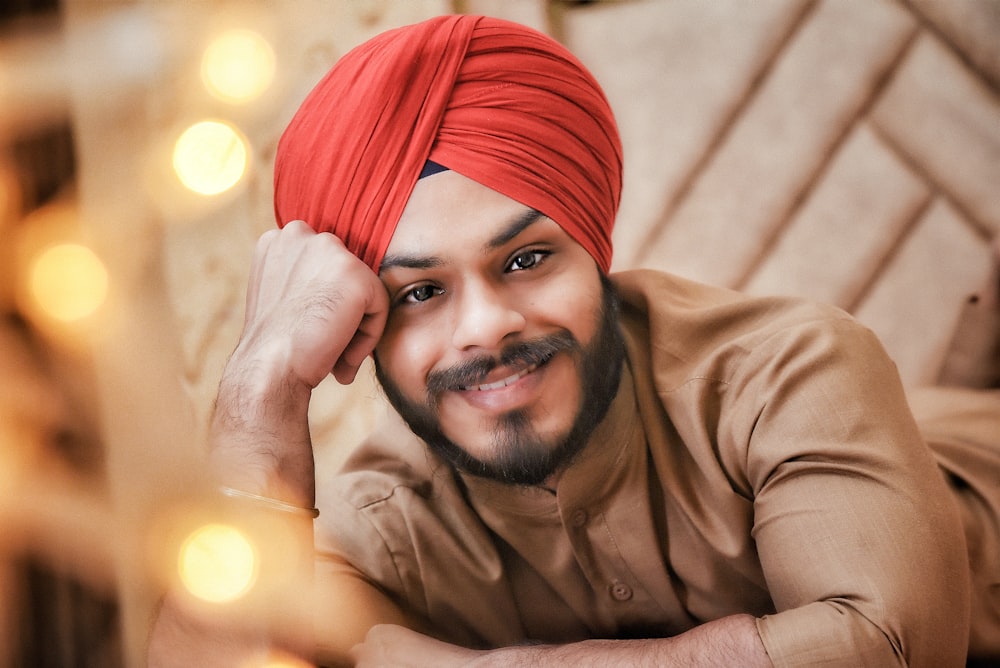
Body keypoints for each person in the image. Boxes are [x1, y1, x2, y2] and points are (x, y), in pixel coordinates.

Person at [148, 14, 1000, 667]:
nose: (485, 327)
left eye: (524, 258)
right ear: (364, 327)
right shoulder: (393, 529)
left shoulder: (793, 368)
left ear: (594, 249)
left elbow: (887, 647)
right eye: (420, 292)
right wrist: (258, 396)